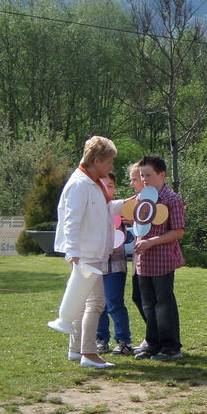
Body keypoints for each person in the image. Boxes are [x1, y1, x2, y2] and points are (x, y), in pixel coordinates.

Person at [49, 135, 119, 369]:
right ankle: (89, 352)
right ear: (96, 161)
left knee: (81, 301)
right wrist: (73, 252)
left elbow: (102, 210)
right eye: (108, 162)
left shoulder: (91, 182)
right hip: (86, 253)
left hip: (90, 251)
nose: (111, 167)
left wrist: (128, 203)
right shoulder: (81, 184)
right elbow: (72, 220)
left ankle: (76, 349)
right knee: (96, 303)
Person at [133, 156, 186, 361]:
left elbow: (178, 231)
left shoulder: (172, 199)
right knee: (148, 304)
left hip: (162, 260)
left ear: (162, 174)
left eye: (148, 175)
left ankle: (171, 347)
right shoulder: (140, 198)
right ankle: (152, 344)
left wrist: (151, 242)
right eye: (142, 175)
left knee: (164, 304)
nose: (144, 179)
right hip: (144, 261)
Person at [94, 170, 134, 357]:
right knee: (98, 304)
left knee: (114, 303)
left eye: (110, 186)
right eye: (102, 186)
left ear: (115, 188)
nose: (106, 189)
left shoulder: (119, 208)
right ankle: (101, 338)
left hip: (115, 266)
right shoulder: (92, 209)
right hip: (96, 265)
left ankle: (124, 341)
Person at [128, 163, 148, 351]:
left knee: (145, 299)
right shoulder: (135, 201)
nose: (132, 183)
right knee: (137, 296)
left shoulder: (150, 201)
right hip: (138, 257)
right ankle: (152, 335)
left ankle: (153, 336)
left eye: (135, 179)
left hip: (150, 259)